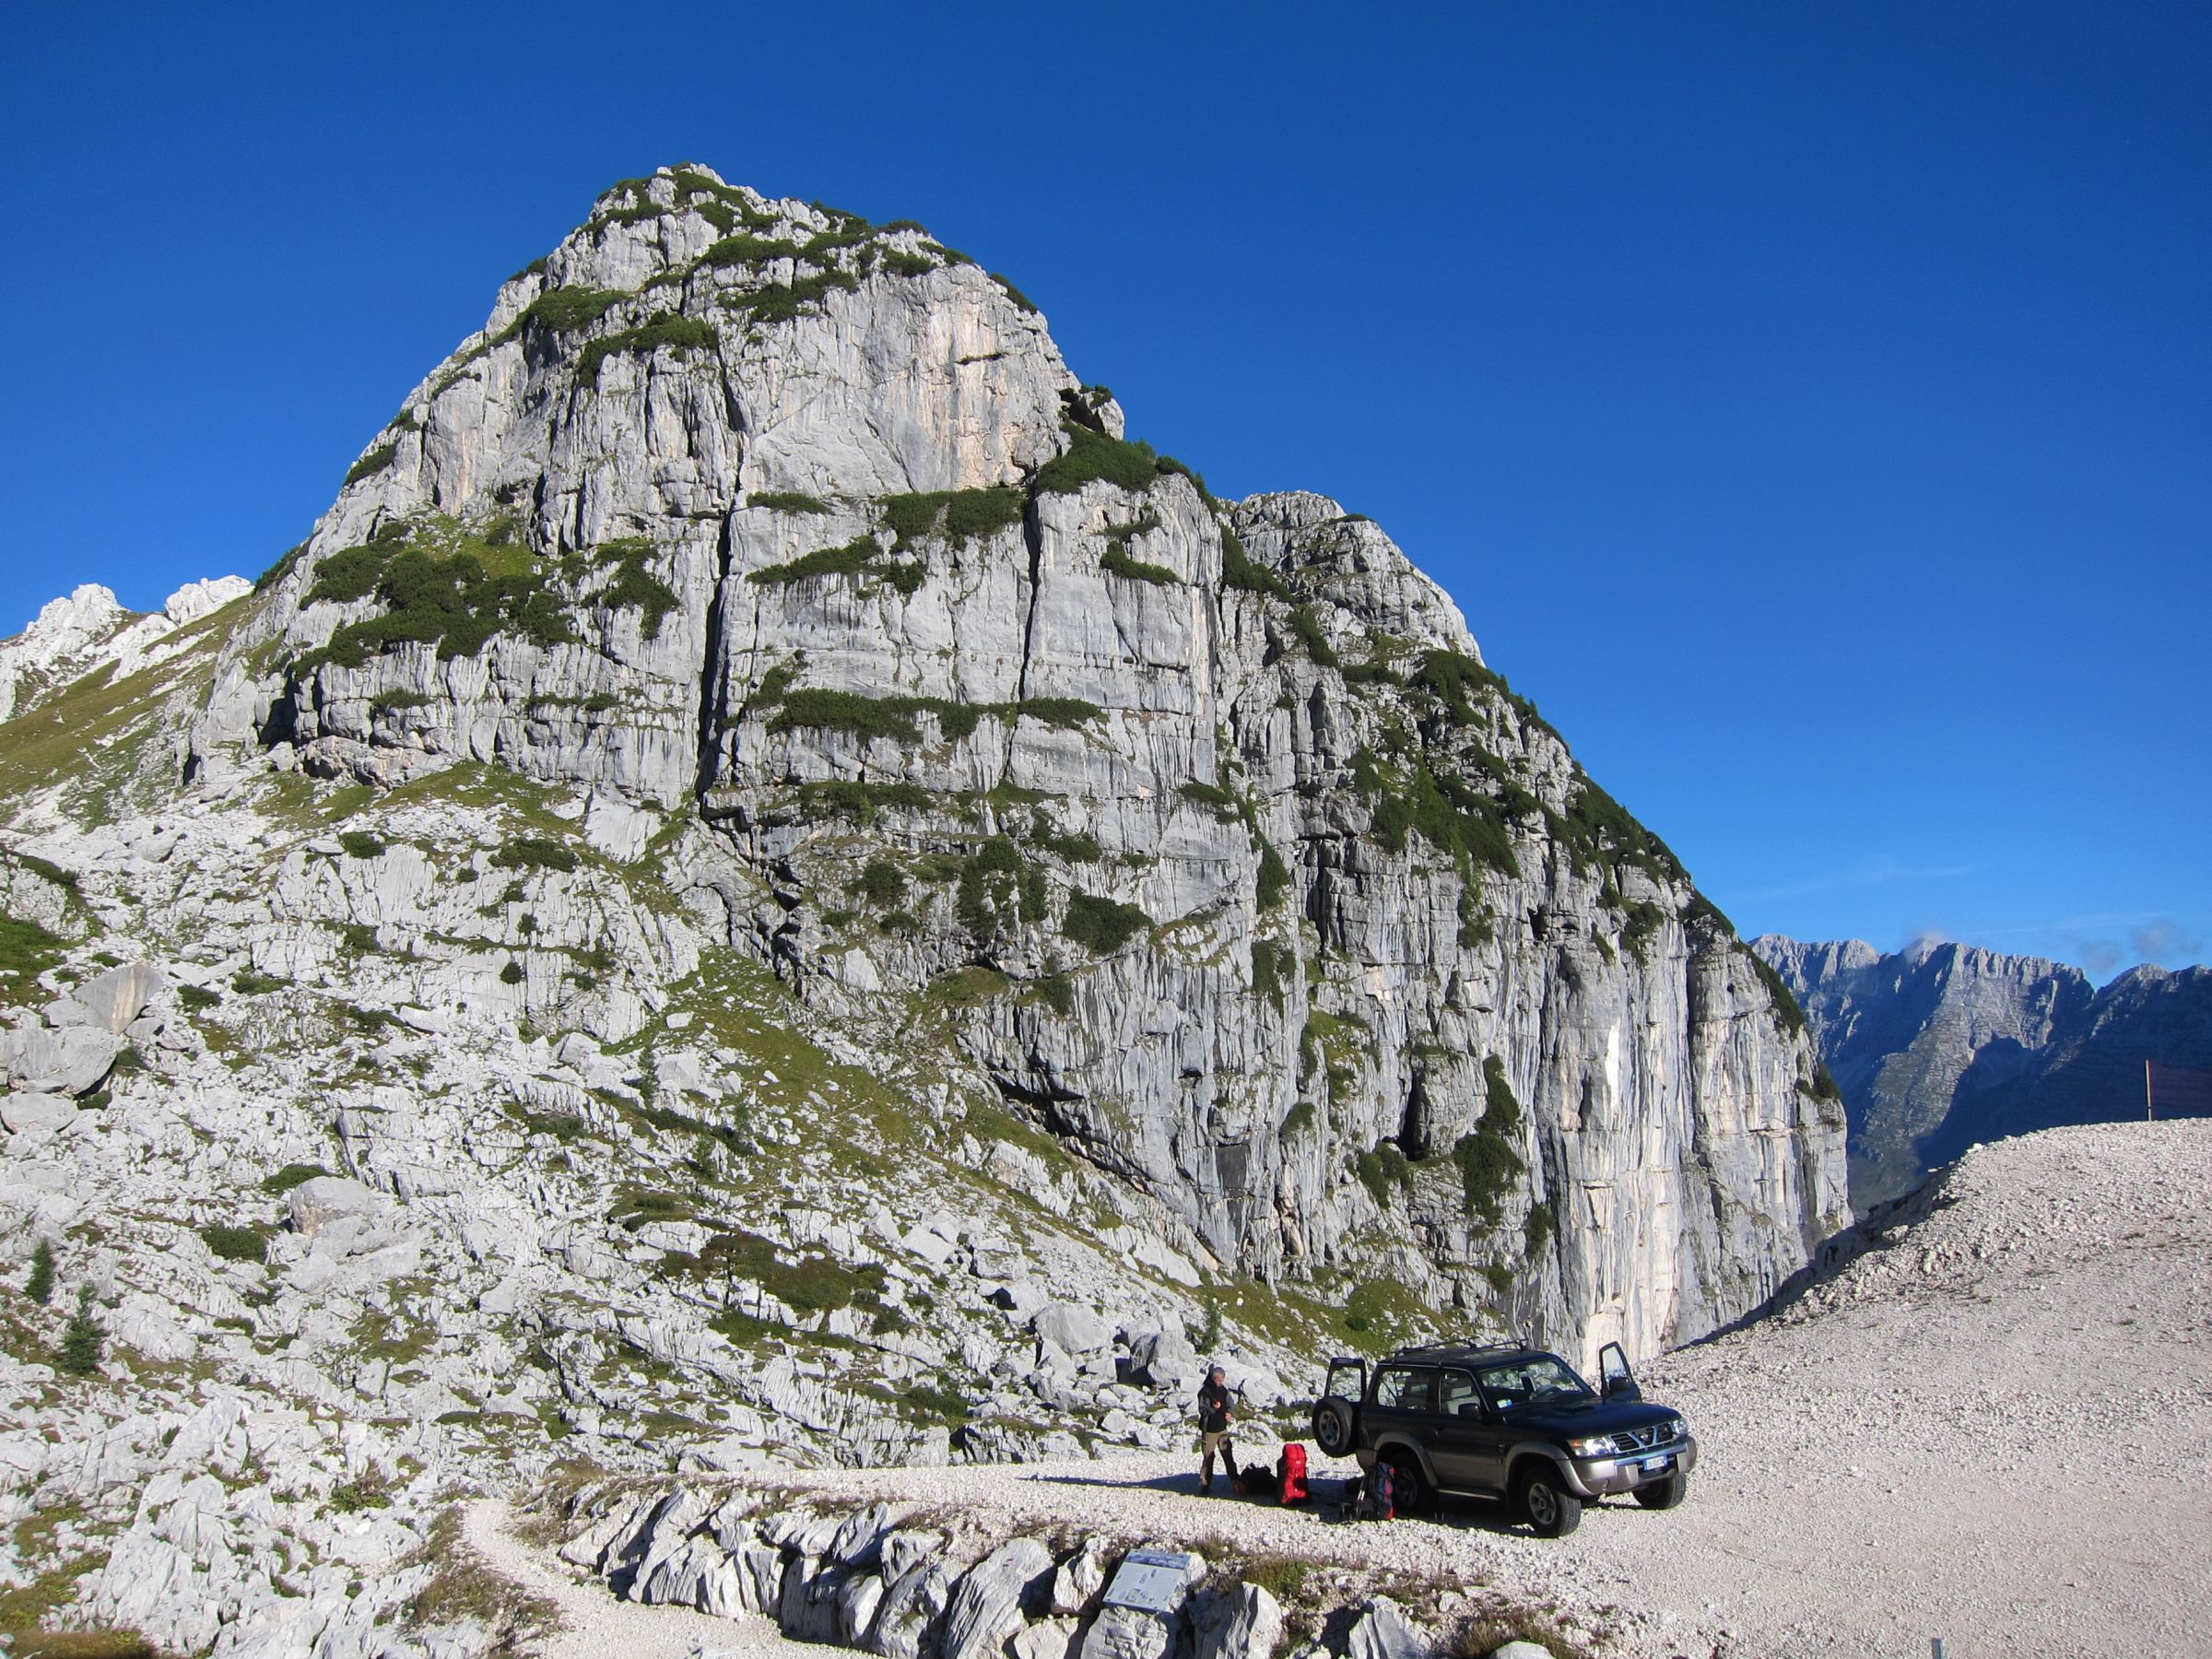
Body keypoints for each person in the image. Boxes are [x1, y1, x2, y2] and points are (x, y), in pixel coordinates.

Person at [1194, 1364, 1235, 1495]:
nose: (1220, 1382)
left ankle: (1235, 1481)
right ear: (1213, 1378)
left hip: (1222, 1429)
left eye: (1222, 1379)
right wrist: (1214, 1408)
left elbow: (1230, 1403)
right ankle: (1205, 1485)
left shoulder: (1223, 1390)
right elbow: (1203, 1410)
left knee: (1227, 1455)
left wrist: (1230, 1413)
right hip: (1210, 1430)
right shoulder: (1205, 1392)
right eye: (1219, 1379)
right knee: (1208, 1457)